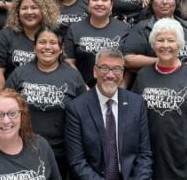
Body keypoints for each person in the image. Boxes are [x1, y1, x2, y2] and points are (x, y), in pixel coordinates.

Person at [132, 18, 187, 179]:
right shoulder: (143, 75)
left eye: (171, 40)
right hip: (153, 155)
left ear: (179, 45)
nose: (165, 45)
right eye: (160, 40)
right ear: (153, 44)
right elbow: (134, 115)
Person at [5, 27, 86, 178]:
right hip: (23, 148)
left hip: (62, 152)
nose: (47, 47)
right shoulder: (20, 73)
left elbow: (84, 114)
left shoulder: (73, 76)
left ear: (61, 48)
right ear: (34, 47)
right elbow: (4, 105)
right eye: (42, 42)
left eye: (53, 43)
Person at [65, 47, 152, 179]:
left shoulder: (137, 103)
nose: (110, 75)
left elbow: (144, 155)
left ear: (122, 73)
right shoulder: (77, 108)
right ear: (95, 71)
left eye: (116, 69)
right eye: (104, 68)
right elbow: (77, 162)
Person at [122, 0, 187, 76]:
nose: (165, 2)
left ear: (175, 2)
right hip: (156, 80)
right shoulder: (142, 28)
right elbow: (128, 59)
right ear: (152, 2)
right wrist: (168, 61)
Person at [0, 0, 60, 94]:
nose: (29, 12)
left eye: (34, 7)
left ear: (43, 10)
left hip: (47, 93)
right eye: (24, 8)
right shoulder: (5, 35)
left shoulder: (54, 34)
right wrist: (1, 101)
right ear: (17, 12)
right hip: (14, 97)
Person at [64, 0, 130, 86]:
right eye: (95, 0)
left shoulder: (125, 29)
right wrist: (82, 88)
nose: (99, 3)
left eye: (104, 0)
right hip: (83, 89)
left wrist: (121, 88)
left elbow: (129, 64)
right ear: (88, 4)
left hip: (115, 88)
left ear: (111, 5)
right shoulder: (75, 29)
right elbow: (69, 62)